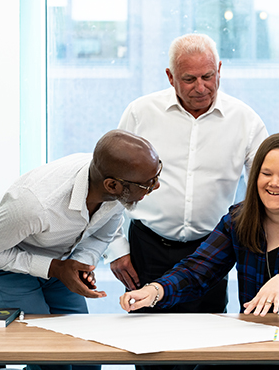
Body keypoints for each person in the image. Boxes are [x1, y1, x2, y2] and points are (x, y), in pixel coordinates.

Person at [105, 33, 267, 322]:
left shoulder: (245, 120)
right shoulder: (141, 113)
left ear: (219, 70)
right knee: (149, 348)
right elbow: (111, 184)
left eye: (207, 76)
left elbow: (268, 187)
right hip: (149, 247)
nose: (201, 87)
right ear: (170, 77)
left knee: (206, 349)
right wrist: (115, 248)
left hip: (211, 251)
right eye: (189, 79)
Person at [119, 132, 279, 318]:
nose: (274, 183)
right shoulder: (239, 219)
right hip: (255, 338)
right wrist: (155, 290)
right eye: (266, 173)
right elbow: (198, 270)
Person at [0, 129, 160, 314]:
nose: (156, 186)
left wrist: (80, 264)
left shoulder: (118, 185)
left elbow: (102, 236)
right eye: (148, 183)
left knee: (76, 330)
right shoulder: (35, 204)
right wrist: (55, 268)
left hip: (59, 257)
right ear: (112, 185)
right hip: (1, 252)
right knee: (37, 338)